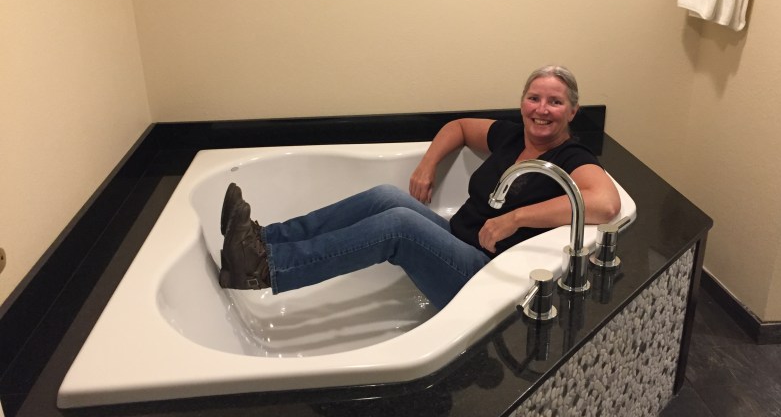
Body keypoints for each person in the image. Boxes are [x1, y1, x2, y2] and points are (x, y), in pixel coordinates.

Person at [218, 65, 621, 309]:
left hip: (483, 277)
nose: (542, 110)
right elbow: (459, 127)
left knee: (398, 226)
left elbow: (604, 203)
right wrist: (428, 165)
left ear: (572, 111)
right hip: (457, 242)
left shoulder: (571, 157)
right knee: (385, 196)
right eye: (534, 98)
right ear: (522, 103)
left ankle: (267, 269)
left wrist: (514, 218)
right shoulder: (513, 136)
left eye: (555, 102)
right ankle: (265, 239)